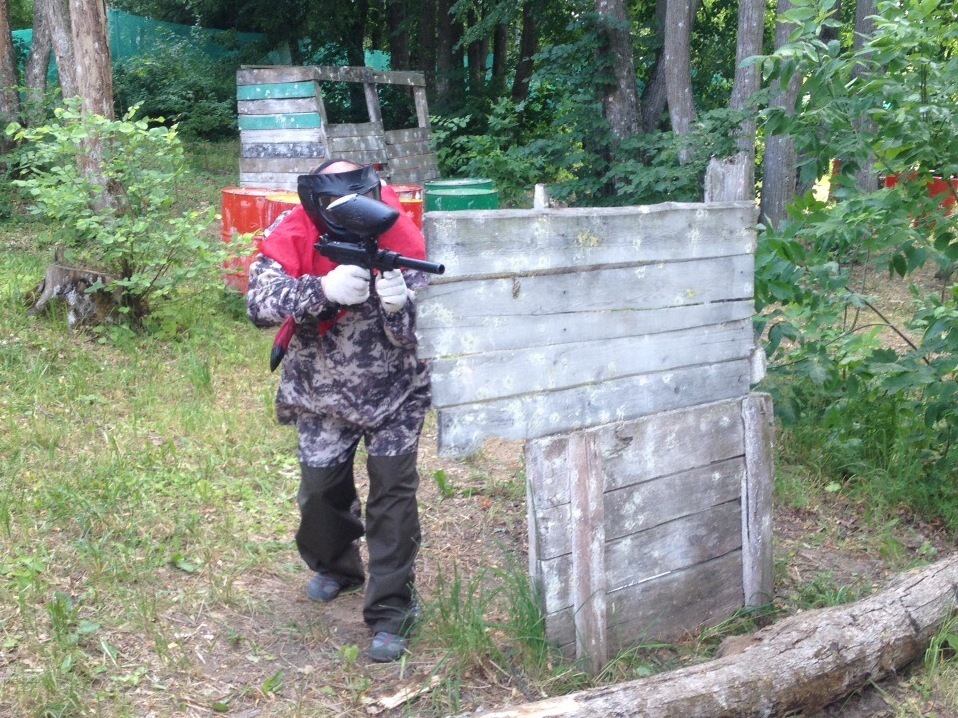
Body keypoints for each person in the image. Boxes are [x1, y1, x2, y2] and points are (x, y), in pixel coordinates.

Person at [246, 159, 431, 663]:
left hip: (396, 393)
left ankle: (392, 610)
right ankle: (336, 566)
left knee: (392, 499)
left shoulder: (399, 231)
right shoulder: (295, 230)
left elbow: (436, 330)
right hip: (319, 394)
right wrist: (319, 291)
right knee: (321, 494)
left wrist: (402, 307)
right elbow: (258, 303)